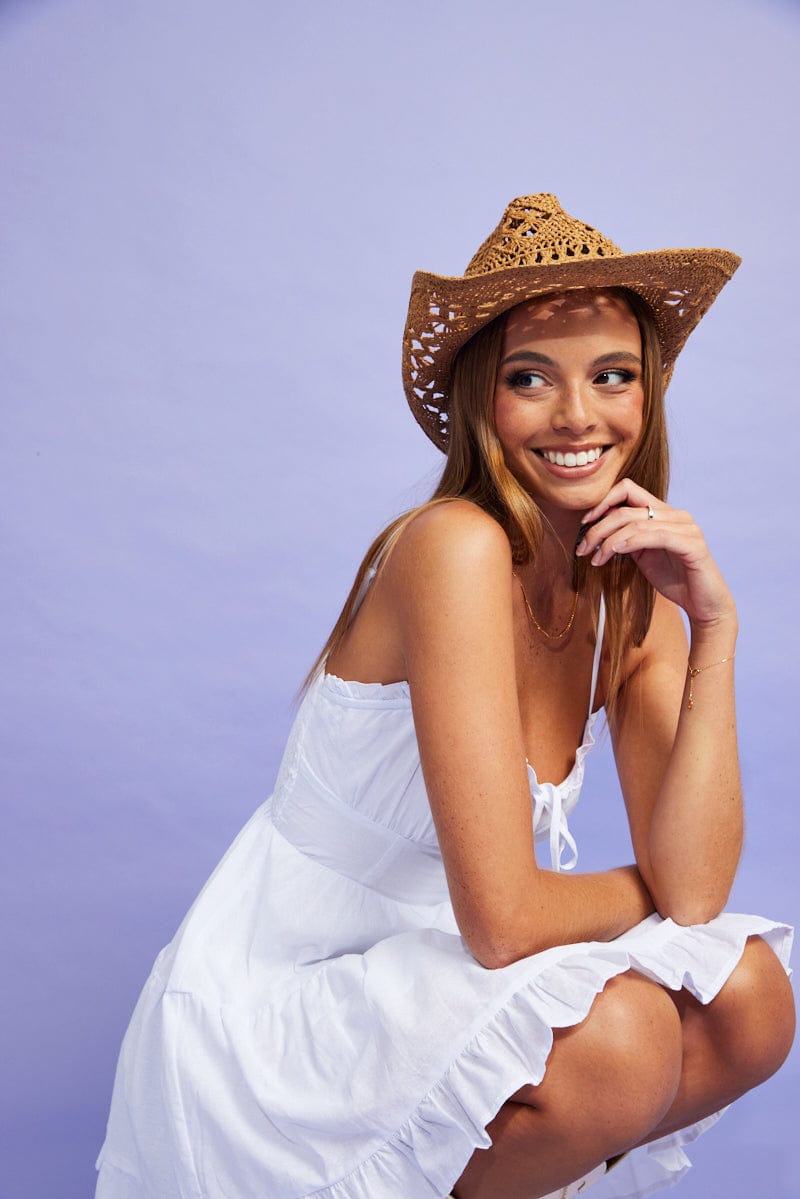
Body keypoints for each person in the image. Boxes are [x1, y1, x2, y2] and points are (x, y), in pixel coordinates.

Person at [96, 193, 795, 1199]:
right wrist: (646, 889)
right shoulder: (450, 546)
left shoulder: (624, 595)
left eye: (612, 376)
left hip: (433, 971)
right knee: (628, 1033)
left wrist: (714, 629)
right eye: (529, 378)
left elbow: (694, 895)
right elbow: (508, 919)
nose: (575, 416)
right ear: (480, 400)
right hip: (288, 999)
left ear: (647, 397)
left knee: (751, 998)